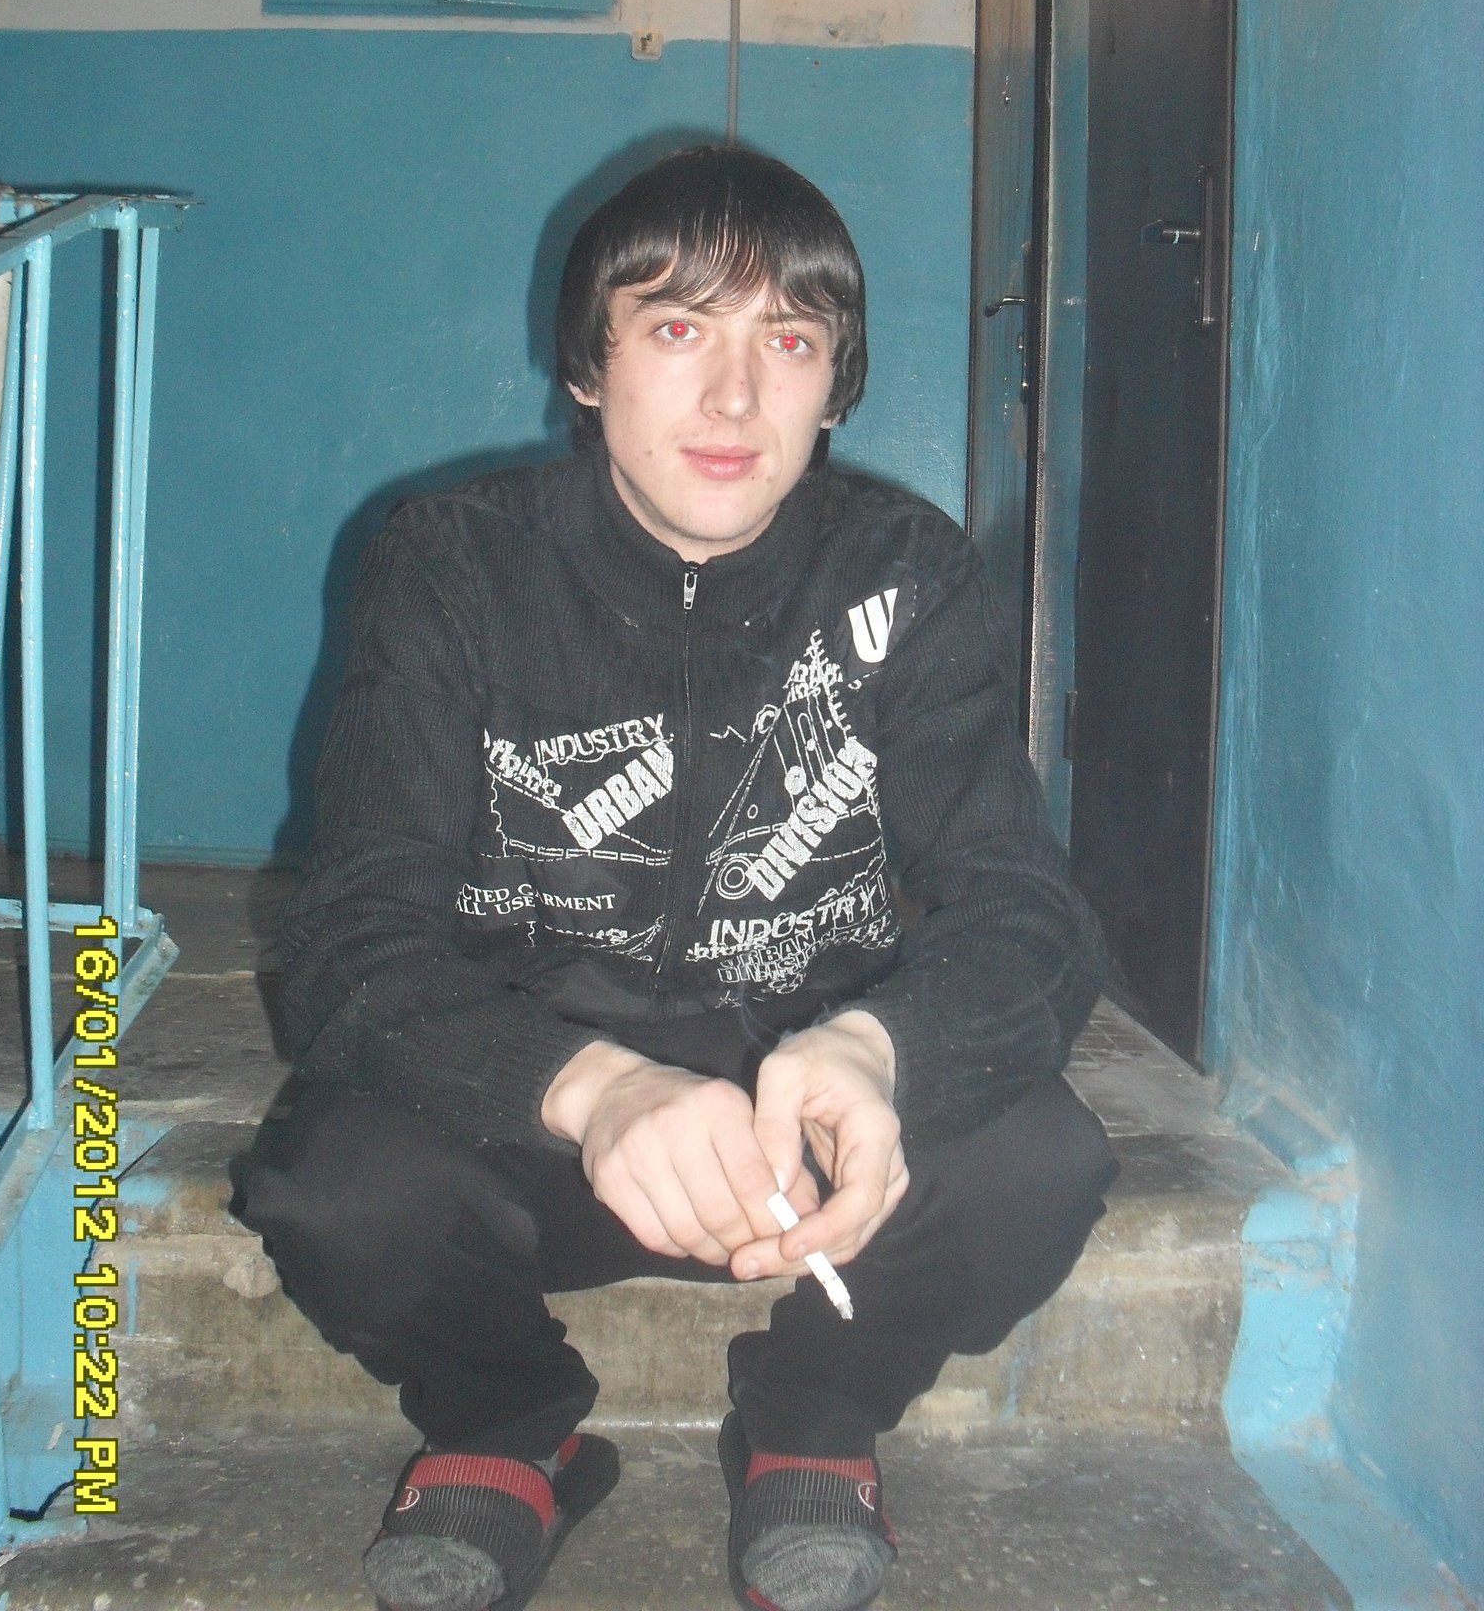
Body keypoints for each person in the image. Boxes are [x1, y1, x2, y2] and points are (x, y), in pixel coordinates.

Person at [235, 145, 1115, 1611]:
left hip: (804, 1133)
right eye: (677, 328)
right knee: (336, 1191)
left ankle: (811, 1419)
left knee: (1042, 1165)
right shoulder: (453, 564)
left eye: (791, 342)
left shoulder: (906, 572)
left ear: (835, 386)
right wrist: (589, 1088)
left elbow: (1028, 916)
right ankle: (511, 1425)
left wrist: (877, 1050)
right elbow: (350, 940)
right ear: (589, 368)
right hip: (536, 1113)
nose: (735, 397)